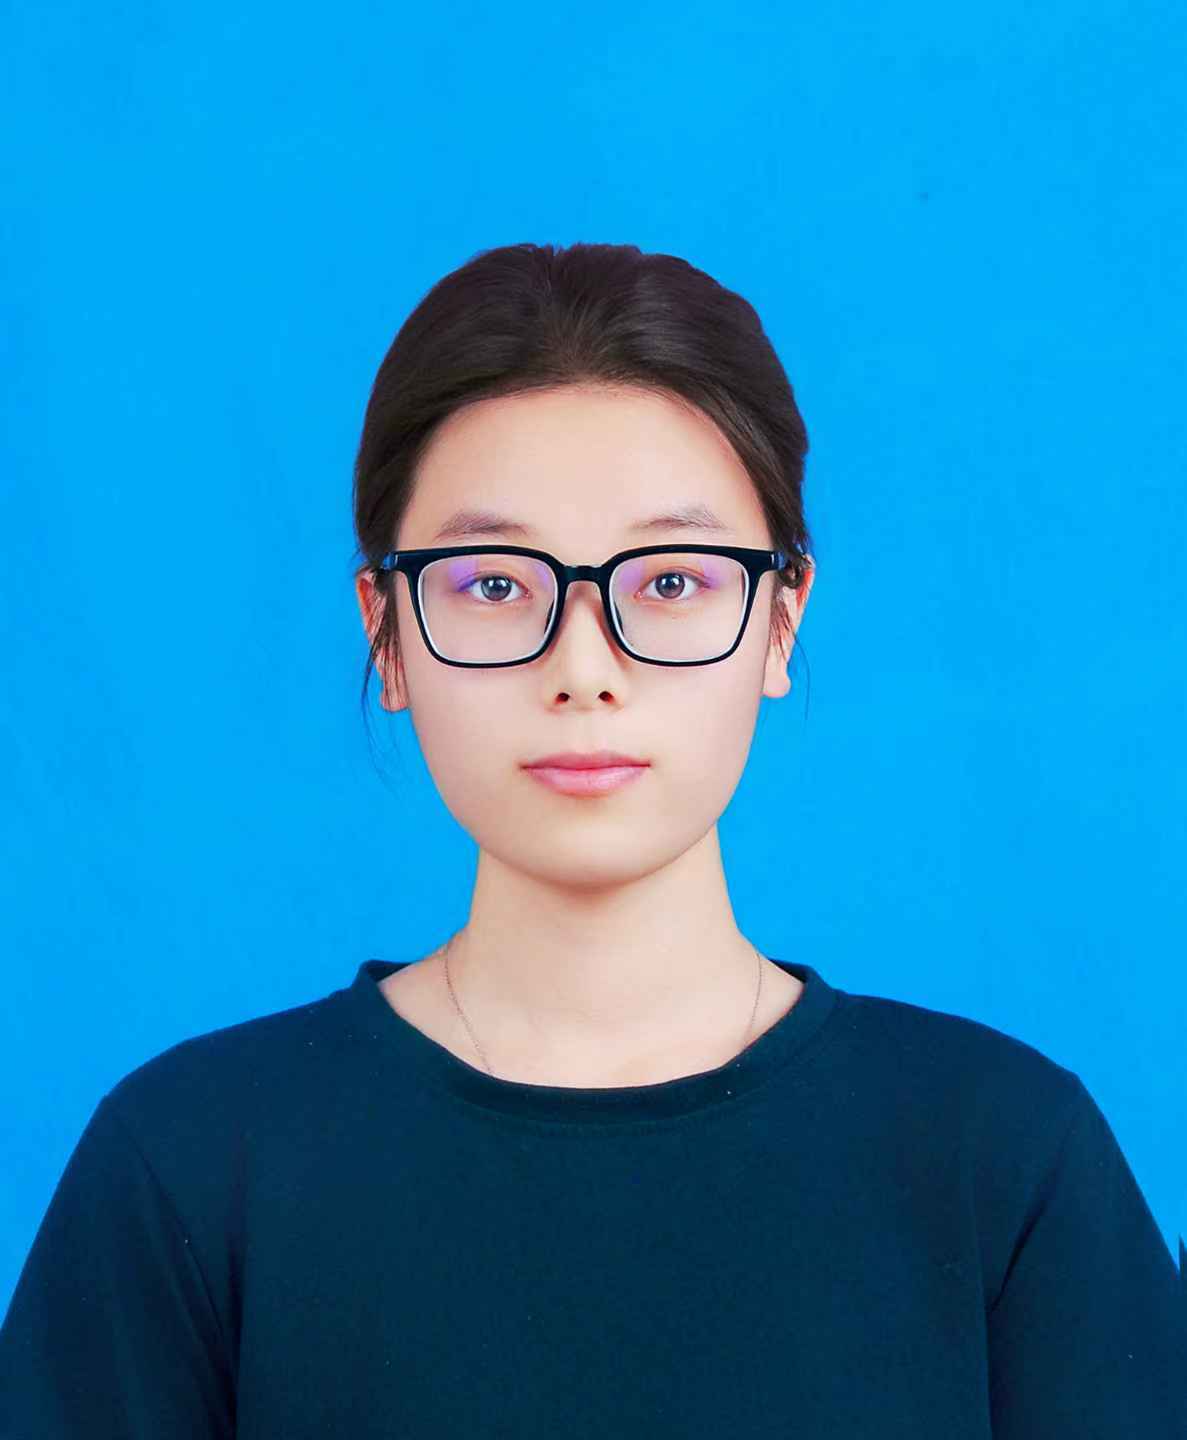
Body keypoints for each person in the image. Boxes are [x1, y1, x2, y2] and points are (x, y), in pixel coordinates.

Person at [1, 242, 1183, 1437]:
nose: (582, 668)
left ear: (780, 620)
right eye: (492, 584)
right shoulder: (189, 1167)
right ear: (386, 633)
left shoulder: (1004, 1161)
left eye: (668, 582)